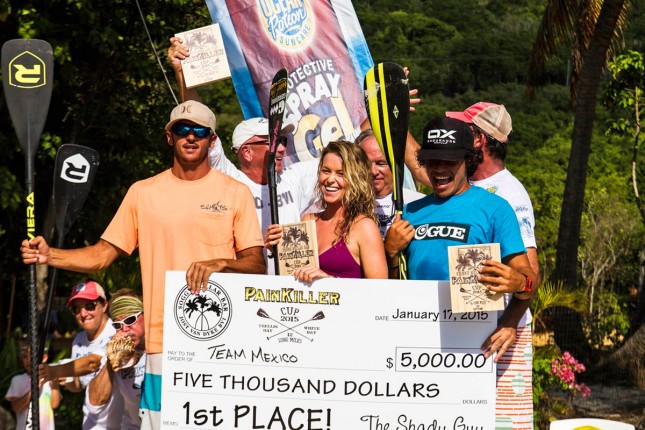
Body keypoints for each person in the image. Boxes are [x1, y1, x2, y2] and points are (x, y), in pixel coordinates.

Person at [21, 100, 265, 429]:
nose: (190, 137)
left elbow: (256, 264)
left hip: (221, 346)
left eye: (199, 131)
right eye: (182, 130)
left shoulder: (236, 193)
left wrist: (221, 263)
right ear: (169, 137)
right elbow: (102, 255)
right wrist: (50, 255)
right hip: (161, 346)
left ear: (211, 139)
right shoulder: (142, 192)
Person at [404, 104, 539, 428]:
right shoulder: (411, 212)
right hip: (422, 348)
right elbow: (392, 283)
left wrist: (511, 311)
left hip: (483, 345)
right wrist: (391, 248)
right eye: (432, 161)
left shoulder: (496, 208)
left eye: (449, 162)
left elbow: (531, 279)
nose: (439, 170)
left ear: (468, 160)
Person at [168, 38, 319, 274]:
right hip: (248, 292)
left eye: (283, 141)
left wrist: (389, 96)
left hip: (294, 291)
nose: (281, 149)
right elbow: (196, 119)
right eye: (273, 142)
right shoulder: (231, 180)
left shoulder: (294, 177)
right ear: (246, 152)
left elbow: (353, 144)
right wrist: (182, 72)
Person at [265, 140, 388, 281]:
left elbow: (379, 292)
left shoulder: (364, 227)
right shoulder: (308, 221)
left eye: (341, 174)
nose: (330, 179)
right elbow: (293, 279)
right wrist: (278, 251)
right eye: (326, 171)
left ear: (357, 179)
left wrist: (328, 282)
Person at [39, 279, 121, 429]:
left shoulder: (116, 332)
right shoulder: (79, 340)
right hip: (91, 423)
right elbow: (80, 385)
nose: (83, 313)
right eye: (76, 309)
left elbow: (93, 363)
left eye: (89, 306)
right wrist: (62, 379)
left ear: (104, 305)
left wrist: (53, 371)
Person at [87, 290, 146, 430]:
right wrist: (110, 362)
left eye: (130, 320)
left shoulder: (165, 344)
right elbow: (95, 402)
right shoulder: (114, 349)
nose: (125, 329)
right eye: (118, 325)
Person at [355, 129, 425, 238]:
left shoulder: (419, 204)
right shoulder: (345, 205)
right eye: (366, 164)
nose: (373, 171)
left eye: (381, 163)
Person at [5, 342, 61, 430]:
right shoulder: (17, 380)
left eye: (32, 356)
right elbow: (16, 408)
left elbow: (54, 405)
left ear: (44, 358)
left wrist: (55, 384)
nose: (28, 360)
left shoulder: (49, 379)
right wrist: (35, 387)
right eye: (25, 357)